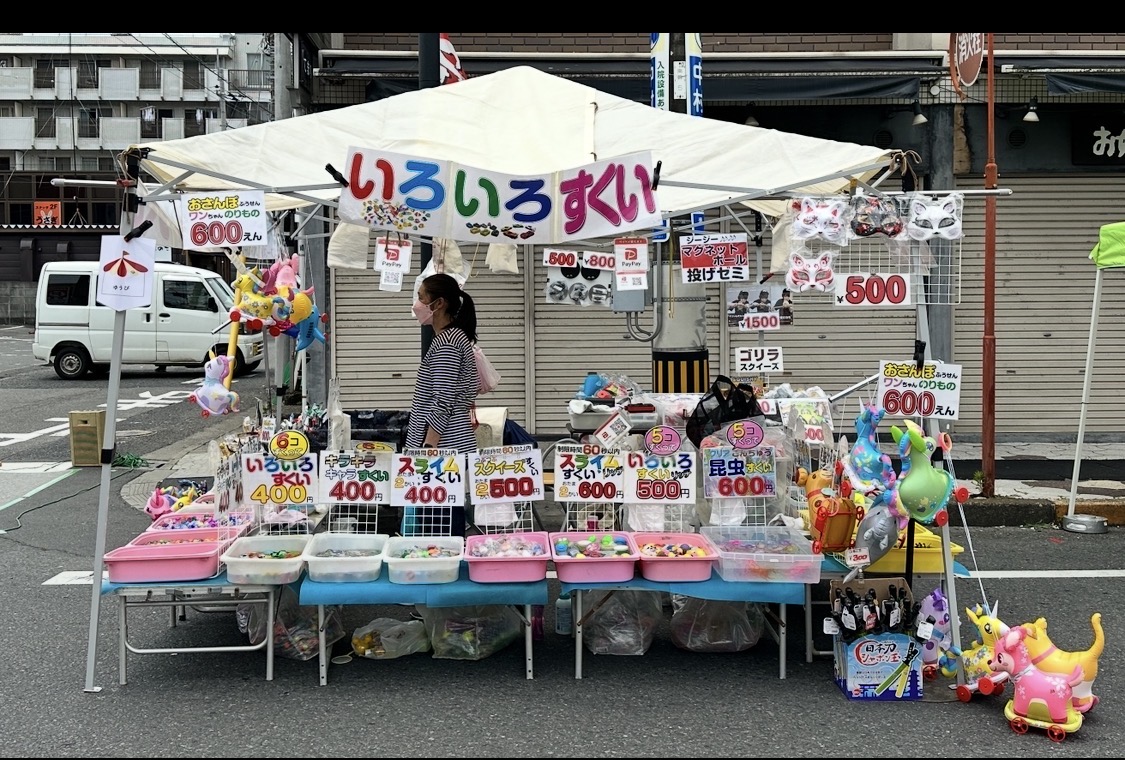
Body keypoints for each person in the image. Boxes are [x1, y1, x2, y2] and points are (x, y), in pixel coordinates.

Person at [404, 272, 479, 537]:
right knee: (446, 519)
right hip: (452, 444)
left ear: (439, 304)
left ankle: (445, 572)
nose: (417, 304)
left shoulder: (447, 343)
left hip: (443, 448)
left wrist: (428, 447)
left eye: (421, 297)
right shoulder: (455, 338)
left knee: (439, 525)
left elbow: (443, 399)